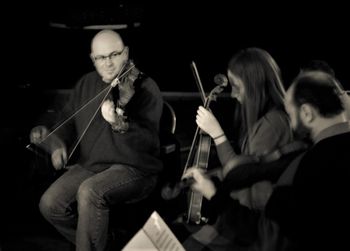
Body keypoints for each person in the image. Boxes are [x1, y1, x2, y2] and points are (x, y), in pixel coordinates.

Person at [29, 29, 163, 251]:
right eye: (101, 57)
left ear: (126, 52)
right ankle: (107, 242)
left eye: (114, 55)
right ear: (93, 59)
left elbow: (148, 144)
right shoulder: (86, 84)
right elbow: (68, 121)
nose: (108, 63)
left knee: (89, 191)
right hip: (93, 165)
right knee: (50, 203)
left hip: (136, 168)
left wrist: (120, 124)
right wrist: (56, 144)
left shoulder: (145, 87)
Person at [185, 70, 350, 250]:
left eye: (291, 114)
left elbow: (267, 238)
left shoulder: (304, 168)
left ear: (307, 113)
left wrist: (215, 195)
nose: (291, 124)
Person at [176, 47, 294, 249]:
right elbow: (242, 167)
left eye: (238, 86)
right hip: (240, 216)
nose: (233, 94)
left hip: (252, 226)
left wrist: (217, 134)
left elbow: (243, 176)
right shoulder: (263, 120)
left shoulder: (273, 124)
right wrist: (209, 175)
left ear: (255, 86)